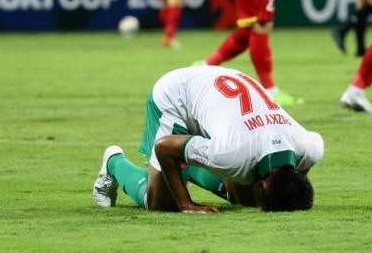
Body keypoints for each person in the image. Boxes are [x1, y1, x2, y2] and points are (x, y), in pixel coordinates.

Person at [92, 65, 324, 213]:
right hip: (177, 95)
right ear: (262, 185)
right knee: (163, 202)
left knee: (246, 196)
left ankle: (189, 164)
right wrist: (186, 205)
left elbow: (290, 177)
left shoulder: (310, 148)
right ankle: (114, 163)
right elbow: (165, 148)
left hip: (220, 89)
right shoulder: (231, 154)